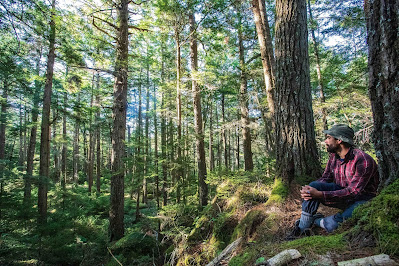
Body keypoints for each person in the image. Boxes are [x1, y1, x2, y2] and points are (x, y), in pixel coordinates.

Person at [286, 124, 379, 240]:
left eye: (329, 137)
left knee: (333, 225)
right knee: (314, 185)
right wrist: (309, 190)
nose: (325, 141)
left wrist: (320, 194)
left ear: (339, 140)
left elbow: (353, 192)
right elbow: (325, 178)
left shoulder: (363, 160)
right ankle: (301, 229)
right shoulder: (334, 157)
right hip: (342, 195)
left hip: (362, 200)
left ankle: (317, 220)